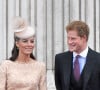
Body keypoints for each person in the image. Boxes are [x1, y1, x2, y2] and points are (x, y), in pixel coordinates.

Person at [0, 16, 47, 90]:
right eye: (25, 41)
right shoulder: (6, 65)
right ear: (17, 44)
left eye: (32, 41)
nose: (29, 44)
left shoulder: (40, 66)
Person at [55, 21, 100, 90]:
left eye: (73, 38)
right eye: (68, 38)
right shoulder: (60, 59)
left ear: (84, 38)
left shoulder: (98, 59)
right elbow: (59, 86)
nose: (69, 42)